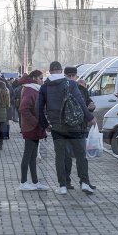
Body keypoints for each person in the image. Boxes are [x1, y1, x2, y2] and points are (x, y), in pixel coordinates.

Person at [37, 61, 96, 195]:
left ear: (50, 71)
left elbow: (38, 108)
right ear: (61, 71)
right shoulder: (71, 83)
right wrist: (90, 117)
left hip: (57, 126)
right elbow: (81, 102)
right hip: (75, 125)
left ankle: (62, 186)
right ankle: (85, 183)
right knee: (81, 154)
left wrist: (45, 125)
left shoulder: (45, 87)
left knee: (61, 156)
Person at [62, 66, 97, 189]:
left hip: (66, 128)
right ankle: (83, 181)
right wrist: (89, 112)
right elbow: (86, 106)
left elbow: (88, 103)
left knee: (69, 156)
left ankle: (68, 182)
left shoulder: (60, 88)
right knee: (80, 156)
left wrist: (91, 107)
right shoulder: (79, 88)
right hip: (77, 128)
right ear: (75, 75)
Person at [18, 70, 49, 191]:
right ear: (35, 78)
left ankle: (35, 182)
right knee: (28, 155)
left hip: (33, 127)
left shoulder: (34, 89)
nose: (43, 80)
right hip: (31, 128)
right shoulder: (30, 90)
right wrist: (36, 122)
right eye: (41, 78)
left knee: (33, 156)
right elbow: (23, 109)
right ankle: (23, 182)